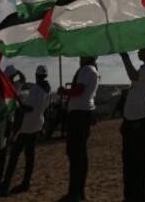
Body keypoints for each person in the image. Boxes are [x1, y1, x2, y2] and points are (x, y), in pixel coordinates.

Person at [0, 65, 51, 196]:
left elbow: (28, 108)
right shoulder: (48, 89)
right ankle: (26, 182)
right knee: (30, 155)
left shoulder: (36, 88)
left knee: (14, 156)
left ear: (36, 75)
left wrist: (19, 104)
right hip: (37, 123)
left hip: (27, 125)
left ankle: (5, 185)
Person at [119, 48, 145, 202]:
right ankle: (130, 195)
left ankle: (142, 196)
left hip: (141, 119)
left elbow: (133, 76)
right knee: (129, 159)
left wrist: (125, 57)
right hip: (132, 119)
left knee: (140, 159)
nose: (139, 51)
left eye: (142, 49)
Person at [58, 56, 99, 202]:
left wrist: (64, 92)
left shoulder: (86, 70)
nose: (80, 58)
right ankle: (77, 190)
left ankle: (75, 191)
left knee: (76, 154)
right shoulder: (92, 69)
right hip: (83, 113)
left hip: (79, 114)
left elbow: (79, 90)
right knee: (79, 153)